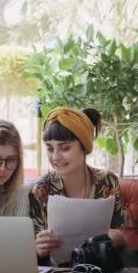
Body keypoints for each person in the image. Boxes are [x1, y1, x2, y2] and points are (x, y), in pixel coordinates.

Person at [29, 107, 125, 260]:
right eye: (49, 148)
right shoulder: (41, 189)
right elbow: (32, 250)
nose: (55, 157)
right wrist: (39, 248)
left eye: (65, 148)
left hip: (102, 270)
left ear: (84, 147)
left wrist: (117, 237)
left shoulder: (108, 181)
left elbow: (121, 234)